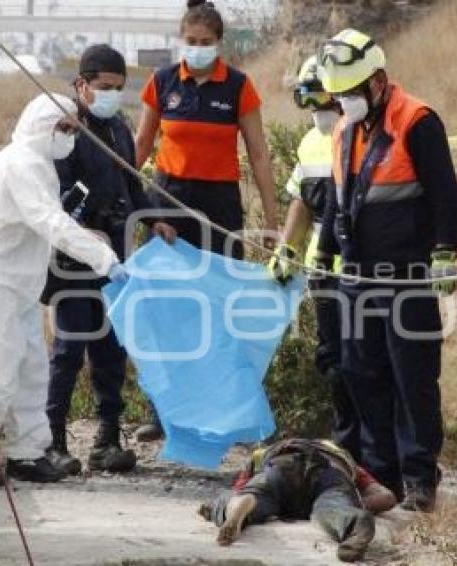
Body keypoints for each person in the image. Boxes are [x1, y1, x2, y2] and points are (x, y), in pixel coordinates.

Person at [314, 29, 457, 513]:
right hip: (357, 275)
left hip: (406, 276)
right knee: (363, 373)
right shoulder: (343, 129)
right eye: (340, 94)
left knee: (412, 377)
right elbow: (342, 201)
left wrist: (445, 251)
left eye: (353, 92)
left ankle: (420, 478)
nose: (346, 101)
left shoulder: (417, 121)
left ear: (378, 81)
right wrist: (323, 253)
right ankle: (382, 477)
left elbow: (445, 192)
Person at [0, 93, 127, 487]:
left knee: (32, 371)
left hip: (22, 285)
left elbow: (48, 223)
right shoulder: (20, 163)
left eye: (72, 130)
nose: (68, 137)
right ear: (39, 124)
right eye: (62, 128)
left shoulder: (40, 164)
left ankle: (26, 452)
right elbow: (49, 221)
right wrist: (103, 257)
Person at [134, 0, 278, 442]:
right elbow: (140, 145)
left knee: (217, 307)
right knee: (168, 308)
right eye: (191, 42)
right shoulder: (162, 82)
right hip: (168, 202)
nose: (197, 49)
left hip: (219, 206)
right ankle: (164, 413)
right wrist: (123, 200)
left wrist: (272, 219)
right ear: (181, 41)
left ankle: (223, 412)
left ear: (220, 44)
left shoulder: (238, 86)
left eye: (206, 43)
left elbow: (257, 153)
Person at [41, 45, 177, 476]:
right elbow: (54, 194)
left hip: (115, 257)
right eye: (104, 88)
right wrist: (82, 230)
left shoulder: (118, 129)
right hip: (74, 257)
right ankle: (53, 440)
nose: (111, 95)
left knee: (111, 348)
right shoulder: (65, 128)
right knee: (69, 349)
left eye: (118, 89)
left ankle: (107, 436)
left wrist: (154, 219)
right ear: (82, 84)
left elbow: (132, 184)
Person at [266, 55, 362, 462]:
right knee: (333, 360)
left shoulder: (362, 135)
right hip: (321, 273)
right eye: (308, 100)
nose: (317, 110)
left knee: (365, 361)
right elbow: (302, 202)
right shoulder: (309, 142)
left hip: (362, 271)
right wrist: (286, 247)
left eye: (323, 97)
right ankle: (347, 443)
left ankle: (374, 448)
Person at [199, 438, 395, 563]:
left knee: (249, 497)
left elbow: (238, 489)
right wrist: (354, 503)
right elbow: (387, 497)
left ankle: (232, 509)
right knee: (331, 507)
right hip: (329, 472)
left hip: (279, 467)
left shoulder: (260, 454)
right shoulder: (340, 455)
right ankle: (351, 519)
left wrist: (233, 498)